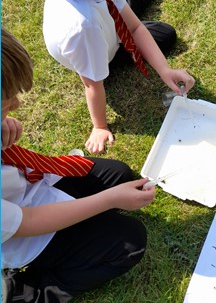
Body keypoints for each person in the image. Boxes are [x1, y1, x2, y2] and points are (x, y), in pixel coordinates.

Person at [2, 28, 155, 300]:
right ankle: (30, 290)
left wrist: (4, 130)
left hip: (29, 189)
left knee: (119, 175)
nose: (16, 105)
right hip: (19, 233)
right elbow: (30, 221)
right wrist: (108, 200)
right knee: (130, 242)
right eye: (4, 105)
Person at [24, 0, 194, 154]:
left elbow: (134, 26)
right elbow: (92, 85)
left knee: (147, 12)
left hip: (107, 23)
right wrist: (100, 126)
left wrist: (165, 70)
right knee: (161, 33)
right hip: (99, 50)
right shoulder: (82, 30)